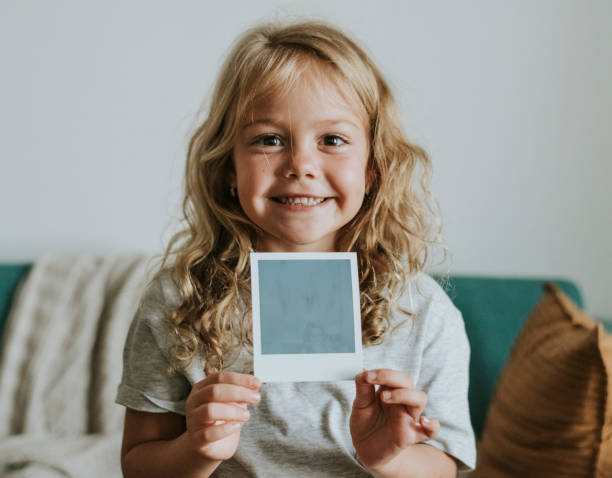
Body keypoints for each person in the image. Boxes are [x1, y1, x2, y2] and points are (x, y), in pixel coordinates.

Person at [116, 18, 476, 477]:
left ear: (373, 167)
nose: (301, 164)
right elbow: (138, 464)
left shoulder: (421, 310)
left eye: (333, 140)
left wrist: (391, 455)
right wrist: (197, 449)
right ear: (229, 166)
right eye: (269, 139)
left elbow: (445, 467)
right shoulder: (177, 300)